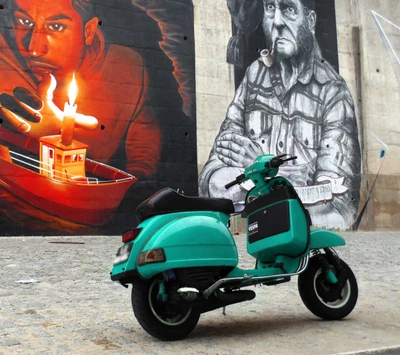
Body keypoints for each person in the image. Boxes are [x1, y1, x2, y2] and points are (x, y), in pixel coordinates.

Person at [198, 0, 361, 230]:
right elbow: (212, 181)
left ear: (311, 21)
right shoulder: (254, 76)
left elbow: (339, 208)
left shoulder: (332, 92)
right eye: (270, 8)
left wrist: (262, 170)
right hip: (264, 231)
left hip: (295, 237)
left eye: (289, 9)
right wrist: (290, 179)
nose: (277, 22)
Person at [0, 0, 161, 178]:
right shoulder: (5, 62)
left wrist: (136, 189)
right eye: (24, 22)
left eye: (55, 26)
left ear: (88, 31)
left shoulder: (127, 67)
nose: (35, 49)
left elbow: (144, 147)